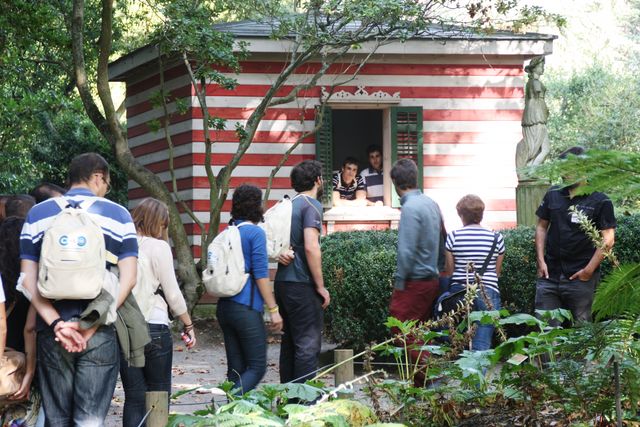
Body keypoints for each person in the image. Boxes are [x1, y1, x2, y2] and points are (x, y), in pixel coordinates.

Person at [19, 152, 138, 425]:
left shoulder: (38, 214)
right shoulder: (118, 215)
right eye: (106, 183)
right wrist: (88, 326)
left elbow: (27, 280)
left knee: (57, 418)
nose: (106, 190)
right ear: (98, 177)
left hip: (52, 332)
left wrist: (59, 324)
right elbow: (129, 278)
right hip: (99, 330)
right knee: (89, 421)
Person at [119, 198, 196, 426]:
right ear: (159, 223)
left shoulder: (123, 244)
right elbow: (172, 294)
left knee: (133, 397)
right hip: (154, 326)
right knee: (158, 394)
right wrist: (188, 324)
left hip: (126, 328)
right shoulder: (159, 247)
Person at [535, 146, 616, 325]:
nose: (564, 173)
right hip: (549, 275)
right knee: (544, 333)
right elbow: (541, 227)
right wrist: (541, 261)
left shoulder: (601, 200)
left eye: (568, 168)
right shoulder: (552, 194)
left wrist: (588, 271)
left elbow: (608, 240)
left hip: (581, 278)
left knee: (582, 332)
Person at [216, 185, 283, 394]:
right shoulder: (255, 233)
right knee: (256, 367)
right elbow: (261, 276)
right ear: (257, 206)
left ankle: (230, 418)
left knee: (235, 371)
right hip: (246, 308)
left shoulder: (228, 232)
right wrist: (273, 310)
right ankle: (226, 411)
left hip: (224, 307)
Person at [275, 160, 330, 383]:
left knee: (289, 343)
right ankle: (304, 404)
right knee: (307, 345)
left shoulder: (287, 205)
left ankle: (288, 399)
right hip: (301, 283)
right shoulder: (311, 205)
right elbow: (311, 246)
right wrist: (320, 286)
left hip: (282, 282)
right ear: (317, 180)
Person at [444, 195, 505, 350]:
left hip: (459, 292)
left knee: (457, 338)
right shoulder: (496, 238)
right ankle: (478, 373)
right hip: (487, 291)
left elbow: (450, 270)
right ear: (481, 214)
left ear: (461, 215)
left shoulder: (453, 237)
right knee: (482, 340)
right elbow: (497, 272)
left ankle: (459, 371)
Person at [388, 158, 442, 323]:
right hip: (432, 280)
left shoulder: (410, 208)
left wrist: (399, 283)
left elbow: (406, 250)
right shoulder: (431, 203)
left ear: (396, 183)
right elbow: (442, 240)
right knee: (419, 331)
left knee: (400, 330)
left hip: (415, 280)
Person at [515, 56, 551, 173]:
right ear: (534, 68)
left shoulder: (532, 82)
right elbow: (536, 94)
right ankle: (530, 171)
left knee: (543, 149)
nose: (543, 68)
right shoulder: (535, 82)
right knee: (542, 149)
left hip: (536, 115)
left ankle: (530, 170)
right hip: (536, 116)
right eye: (541, 66)